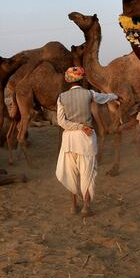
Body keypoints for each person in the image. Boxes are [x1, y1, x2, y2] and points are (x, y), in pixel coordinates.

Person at [56, 66, 119, 217]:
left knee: (72, 173)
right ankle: (86, 207)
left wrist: (77, 126)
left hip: (69, 139)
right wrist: (116, 96)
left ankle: (73, 206)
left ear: (68, 80)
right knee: (88, 172)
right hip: (86, 137)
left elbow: (61, 121)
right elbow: (104, 98)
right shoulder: (89, 94)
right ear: (82, 79)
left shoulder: (61, 97)